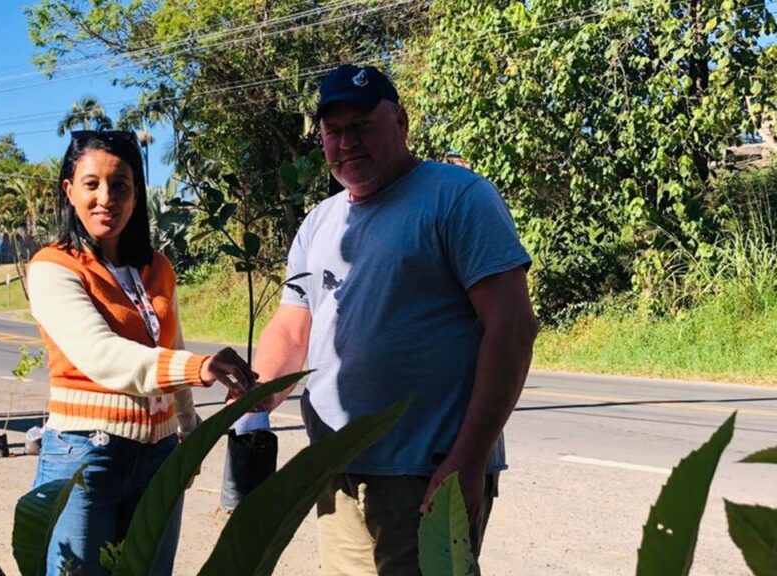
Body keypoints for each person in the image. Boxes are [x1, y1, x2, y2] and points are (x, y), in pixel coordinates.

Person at [254, 64, 539, 575]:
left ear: (402, 122)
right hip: (336, 471)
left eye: (362, 125)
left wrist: (467, 460)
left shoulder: (457, 197)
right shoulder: (319, 222)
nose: (348, 141)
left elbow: (512, 329)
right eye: (334, 131)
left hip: (427, 474)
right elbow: (292, 328)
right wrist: (251, 400)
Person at [27, 129, 256, 576]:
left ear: (136, 195)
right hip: (84, 459)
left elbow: (171, 347)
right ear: (69, 191)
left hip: (158, 458)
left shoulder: (156, 266)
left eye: (121, 185)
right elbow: (103, 355)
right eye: (91, 184)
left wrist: (187, 432)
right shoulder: (54, 267)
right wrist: (201, 368)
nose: (105, 197)